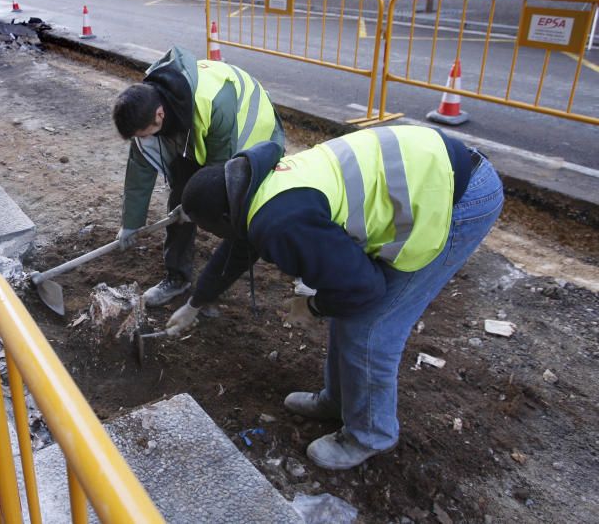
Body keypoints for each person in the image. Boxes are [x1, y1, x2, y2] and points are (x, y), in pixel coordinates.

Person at [170, 125, 503, 470]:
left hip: (455, 198)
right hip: (429, 173)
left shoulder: (280, 222)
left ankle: (369, 434)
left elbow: (362, 289)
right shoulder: (258, 185)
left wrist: (312, 305)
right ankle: (340, 402)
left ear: (226, 216)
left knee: (369, 327)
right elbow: (237, 250)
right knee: (351, 309)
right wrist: (196, 301)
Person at [113, 46, 285, 308]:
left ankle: (214, 288)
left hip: (251, 139)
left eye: (144, 133)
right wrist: (130, 223)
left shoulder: (214, 104)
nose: (144, 138)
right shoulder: (148, 106)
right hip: (203, 138)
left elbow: (220, 172)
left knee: (237, 215)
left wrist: (193, 208)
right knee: (179, 200)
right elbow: (140, 168)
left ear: (160, 115)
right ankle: (177, 278)